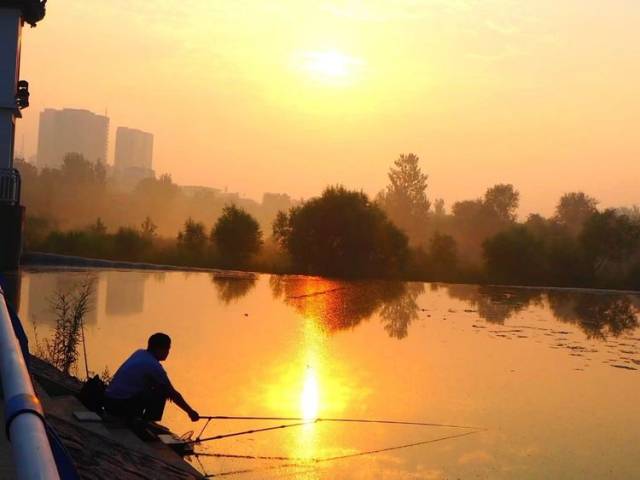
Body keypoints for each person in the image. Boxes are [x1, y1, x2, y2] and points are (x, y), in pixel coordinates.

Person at [104, 333, 199, 423]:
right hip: (119, 405)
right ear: (158, 349)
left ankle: (139, 419)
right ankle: (146, 422)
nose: (168, 352)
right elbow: (173, 394)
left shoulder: (139, 353)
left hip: (108, 401)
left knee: (159, 387)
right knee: (162, 392)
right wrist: (190, 412)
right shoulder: (154, 366)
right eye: (167, 349)